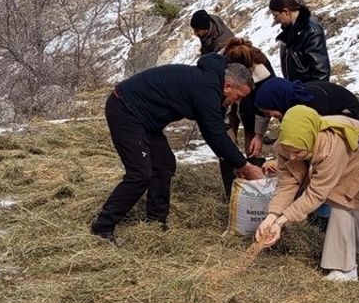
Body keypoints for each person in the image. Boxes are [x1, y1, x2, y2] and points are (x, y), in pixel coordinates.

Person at [91, 54, 264, 242]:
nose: (237, 102)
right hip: (126, 109)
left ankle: (156, 223)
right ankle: (102, 227)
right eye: (239, 97)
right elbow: (215, 135)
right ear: (228, 86)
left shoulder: (212, 85)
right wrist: (244, 166)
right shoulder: (206, 87)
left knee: (164, 165)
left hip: (146, 119)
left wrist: (235, 163)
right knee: (140, 173)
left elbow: (215, 133)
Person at [255, 106, 359, 281]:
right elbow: (287, 184)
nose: (292, 157)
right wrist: (271, 216)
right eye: (289, 151)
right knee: (347, 196)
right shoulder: (286, 144)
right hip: (351, 158)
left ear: (311, 139)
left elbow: (317, 193)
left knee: (340, 199)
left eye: (298, 152)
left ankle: (345, 269)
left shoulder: (332, 144)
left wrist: (281, 221)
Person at [218, 38, 276, 196]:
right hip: (227, 106)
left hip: (252, 109)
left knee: (253, 148)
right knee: (226, 146)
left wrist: (259, 134)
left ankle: (255, 191)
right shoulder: (220, 65)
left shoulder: (263, 70)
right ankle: (232, 194)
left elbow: (266, 104)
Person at [269, 0, 332, 83]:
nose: (275, 20)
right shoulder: (290, 30)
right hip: (298, 89)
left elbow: (321, 72)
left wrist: (314, 94)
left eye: (276, 16)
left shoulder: (311, 31)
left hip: (308, 92)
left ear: (286, 12)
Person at [252, 78, 359, 122]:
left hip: (348, 116)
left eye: (268, 112)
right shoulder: (287, 104)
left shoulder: (309, 100)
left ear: (276, 102)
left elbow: (315, 131)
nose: (270, 116)